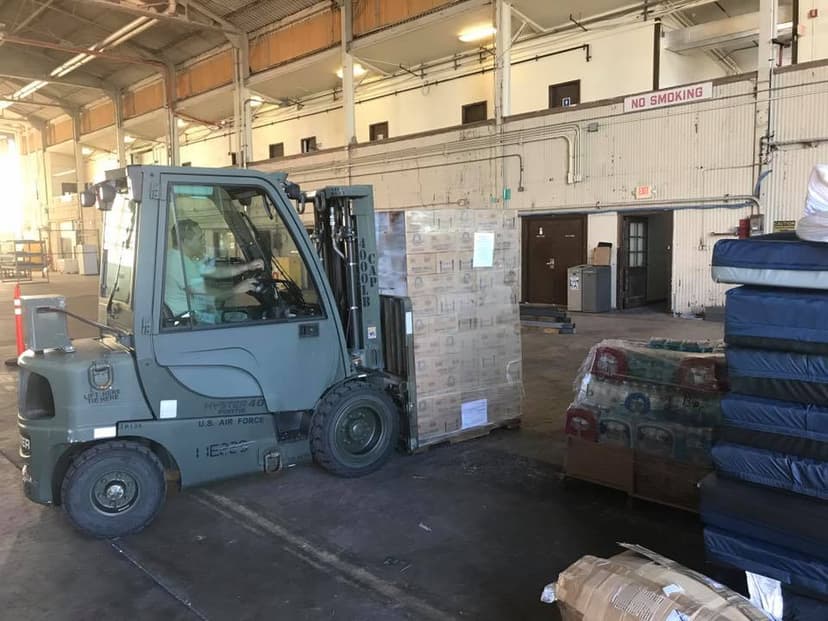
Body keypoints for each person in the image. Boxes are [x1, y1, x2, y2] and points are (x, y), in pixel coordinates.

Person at [165, 219, 264, 322]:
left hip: (199, 316)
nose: (204, 241)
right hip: (193, 322)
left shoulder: (183, 259)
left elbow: (217, 272)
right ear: (186, 242)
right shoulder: (179, 264)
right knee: (253, 319)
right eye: (200, 238)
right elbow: (208, 294)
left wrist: (247, 267)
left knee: (247, 315)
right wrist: (237, 289)